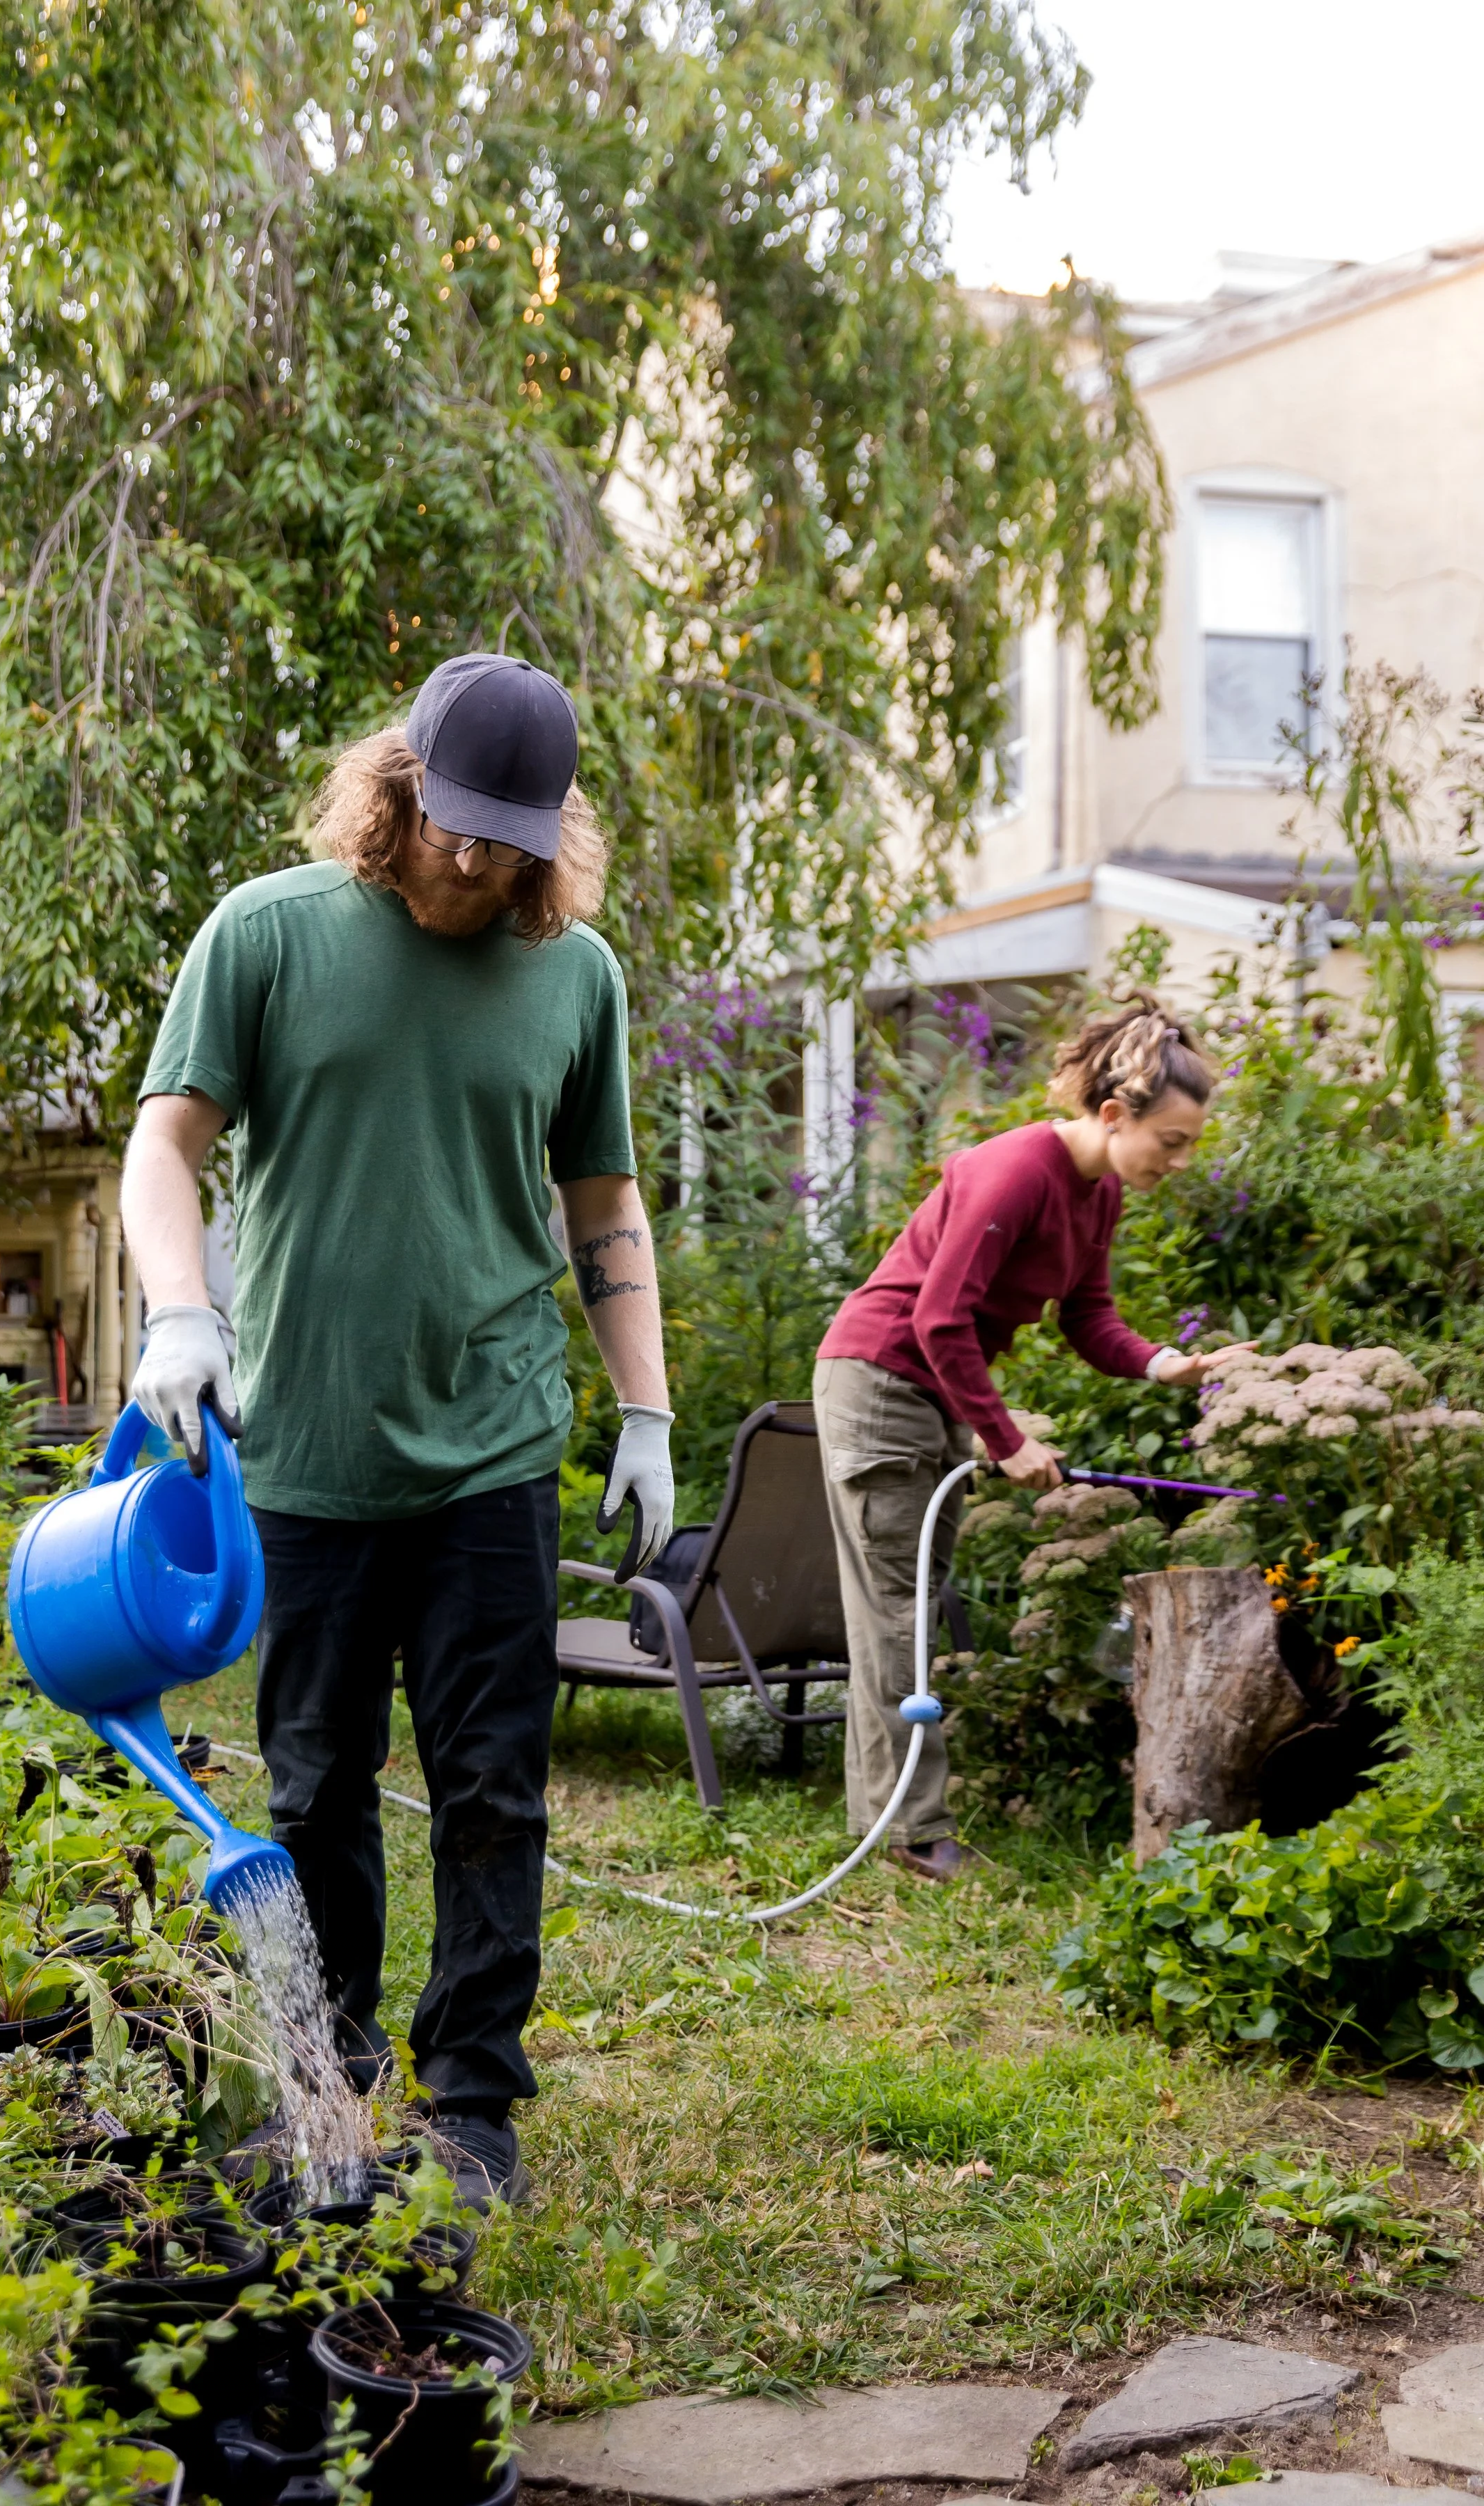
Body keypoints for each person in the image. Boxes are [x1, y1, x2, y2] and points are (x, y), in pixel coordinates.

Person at [120, 654, 676, 2205]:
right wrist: (183, 1306)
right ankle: (340, 2067)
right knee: (315, 1787)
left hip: (493, 1449)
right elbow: (164, 1146)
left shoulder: (579, 976)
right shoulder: (269, 934)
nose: (474, 861)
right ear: (400, 783)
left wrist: (647, 1410)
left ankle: (476, 2093)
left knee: (494, 1785)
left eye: (511, 837)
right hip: (301, 1448)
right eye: (452, 822)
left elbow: (605, 1204)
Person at [813, 998, 1250, 1884]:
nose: (1181, 1159)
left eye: (1191, 1142)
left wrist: (1165, 1364)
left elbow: (1089, 1316)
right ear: (1115, 1113)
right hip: (881, 1381)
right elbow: (939, 1317)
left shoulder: (1098, 1192)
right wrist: (1002, 1436)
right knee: (897, 1616)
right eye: (1172, 1140)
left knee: (908, 1611)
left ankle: (888, 1819)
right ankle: (911, 1834)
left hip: (928, 1389)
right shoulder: (1016, 1171)